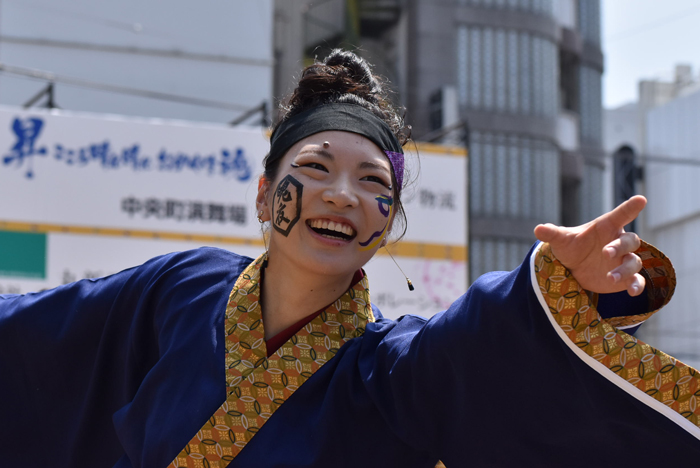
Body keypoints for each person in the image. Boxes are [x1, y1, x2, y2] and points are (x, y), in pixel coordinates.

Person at [0, 50, 699, 468]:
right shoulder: (181, 290)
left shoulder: (390, 372)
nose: (344, 197)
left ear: (389, 222)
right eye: (316, 167)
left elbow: (487, 343)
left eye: (375, 186)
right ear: (266, 191)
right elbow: (39, 340)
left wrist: (558, 285)